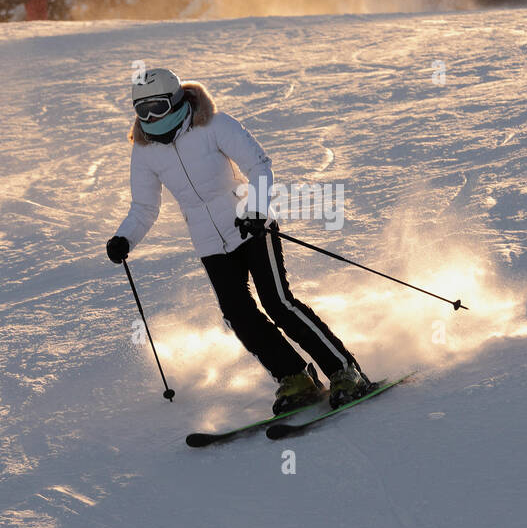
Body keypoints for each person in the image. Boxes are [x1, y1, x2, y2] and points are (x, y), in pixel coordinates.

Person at [107, 68, 370, 413]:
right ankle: (294, 377)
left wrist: (255, 210)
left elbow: (259, 165)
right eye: (143, 111)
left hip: (251, 226)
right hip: (209, 243)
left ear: (175, 99)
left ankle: (344, 370)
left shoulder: (213, 124)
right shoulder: (145, 151)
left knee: (277, 302)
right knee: (238, 315)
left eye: (157, 107)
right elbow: (144, 206)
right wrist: (124, 238)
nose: (151, 117)